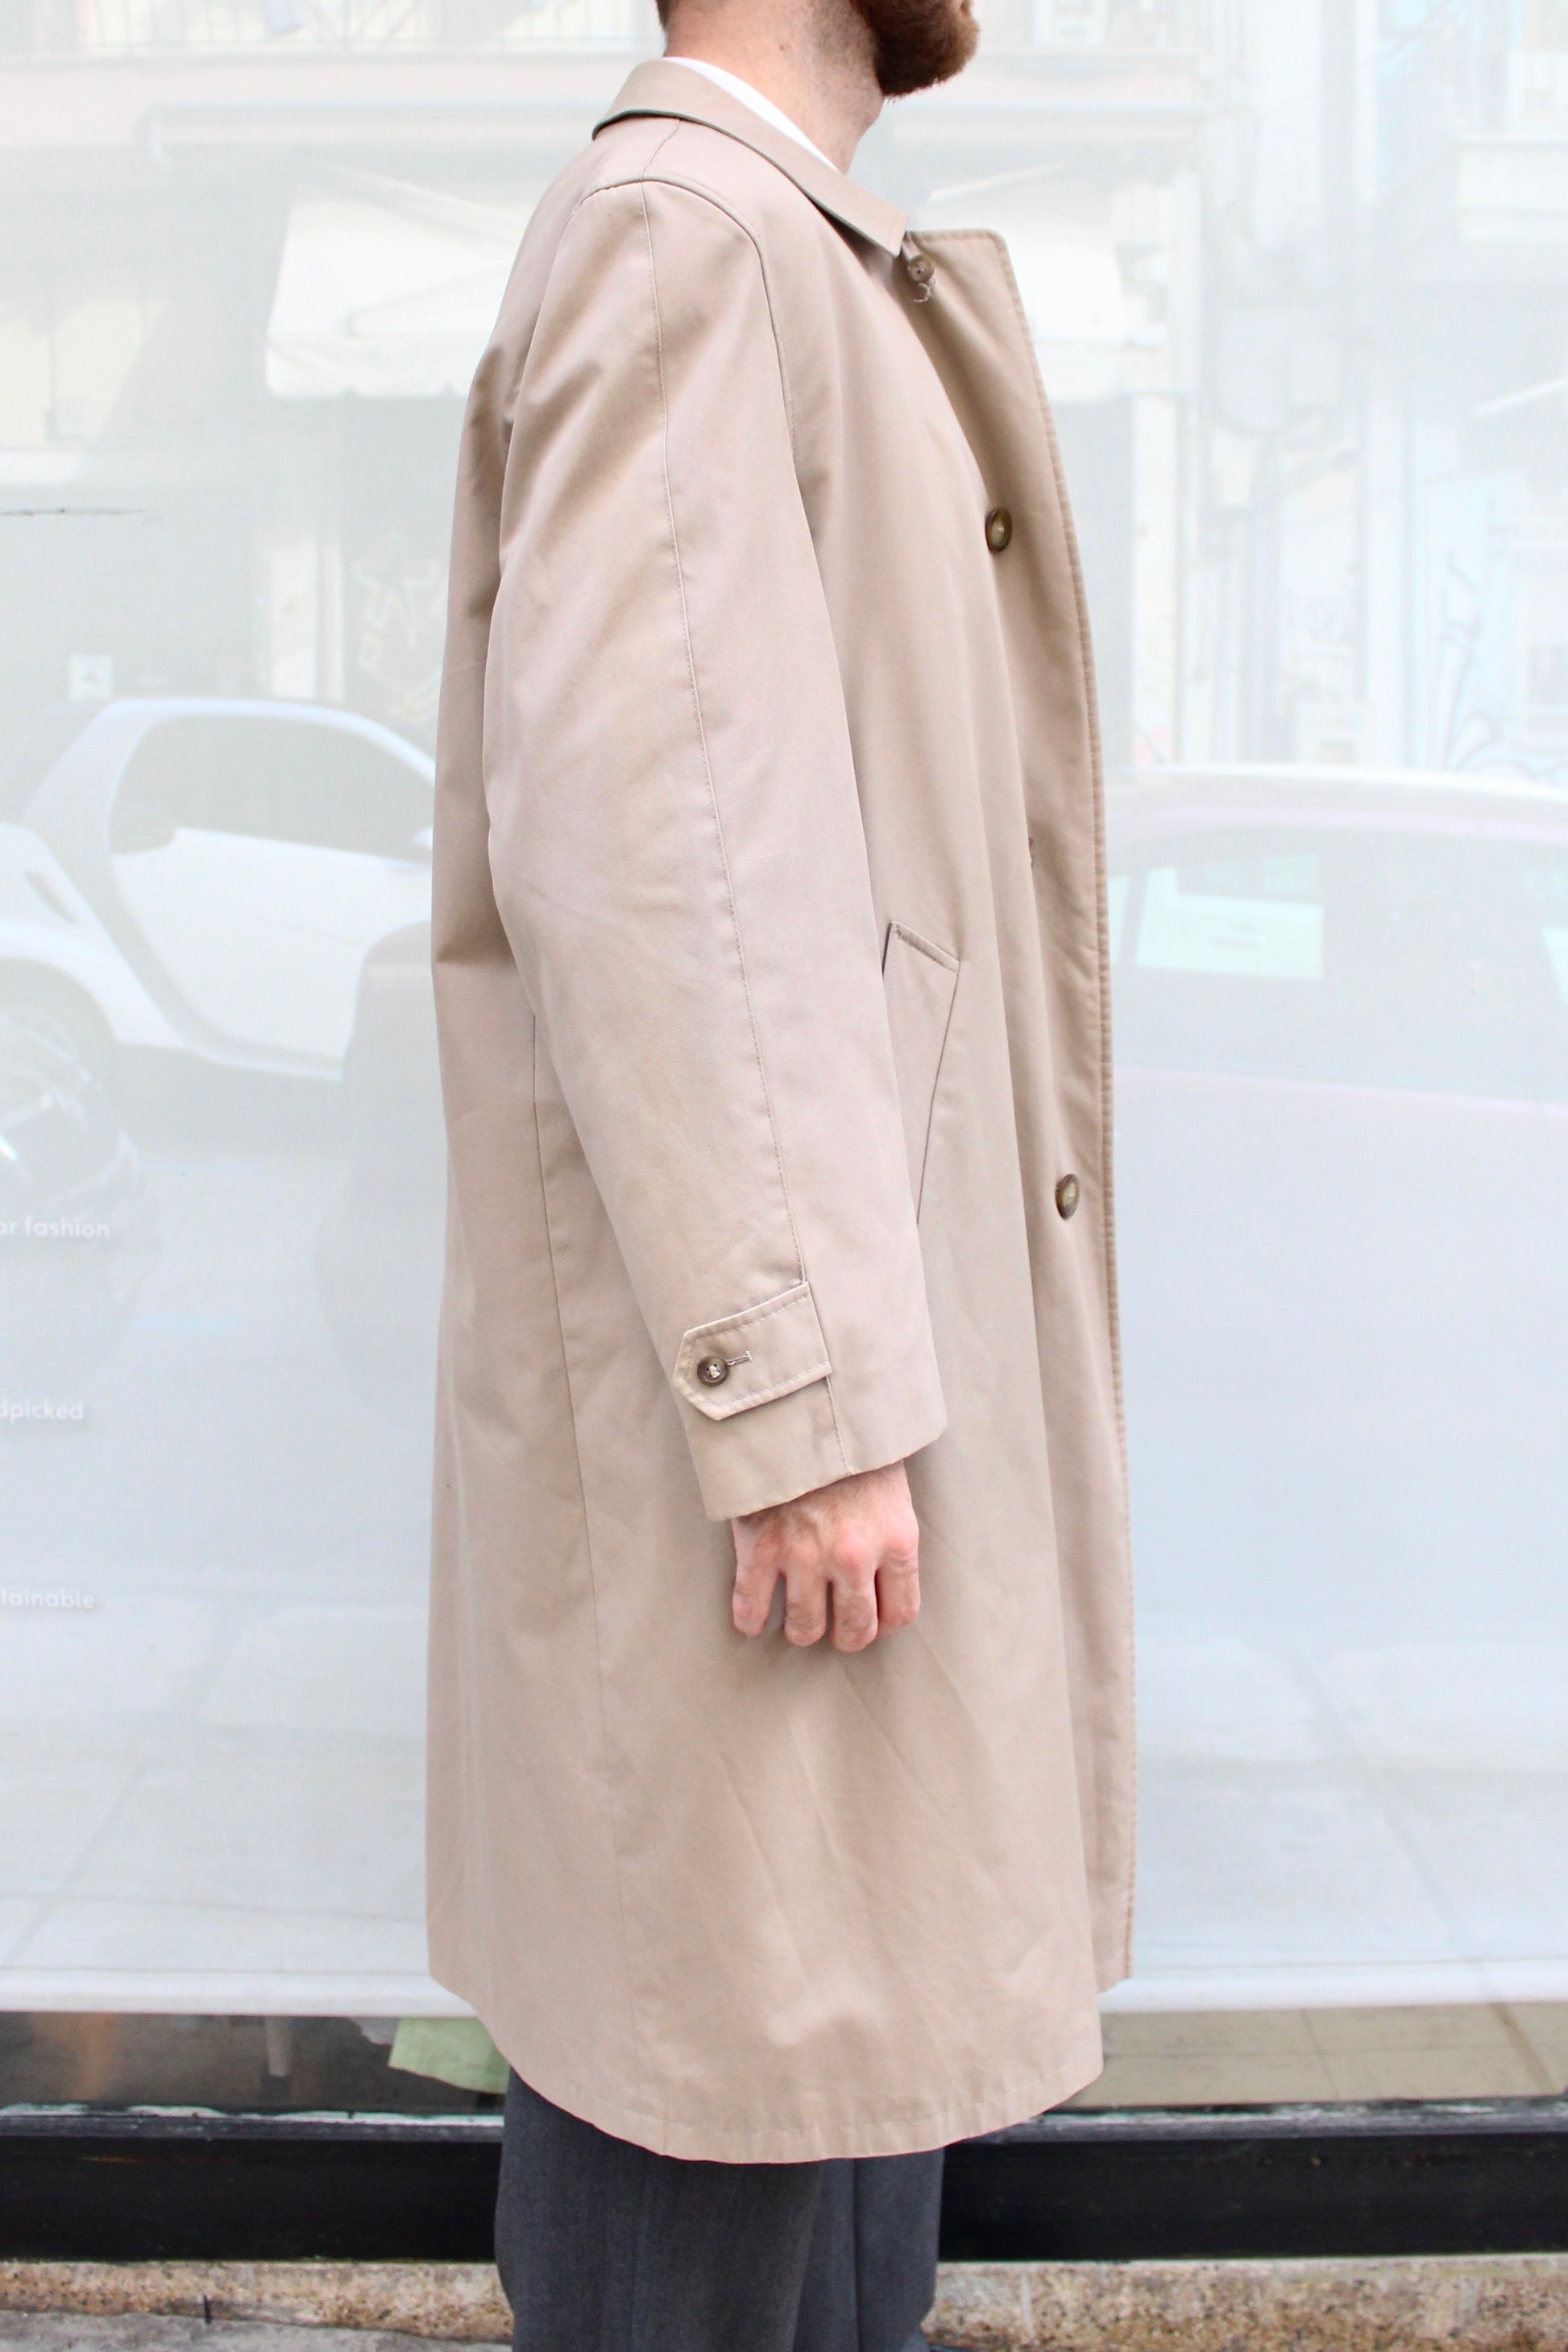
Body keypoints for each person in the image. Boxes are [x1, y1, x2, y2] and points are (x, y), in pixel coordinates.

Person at [425, 0, 1135, 2336]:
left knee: (825, 2103)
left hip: (841, 1425)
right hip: (789, 1455)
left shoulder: (775, 248)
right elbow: (665, 851)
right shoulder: (686, 235)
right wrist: (801, 1401)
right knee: (721, 2105)